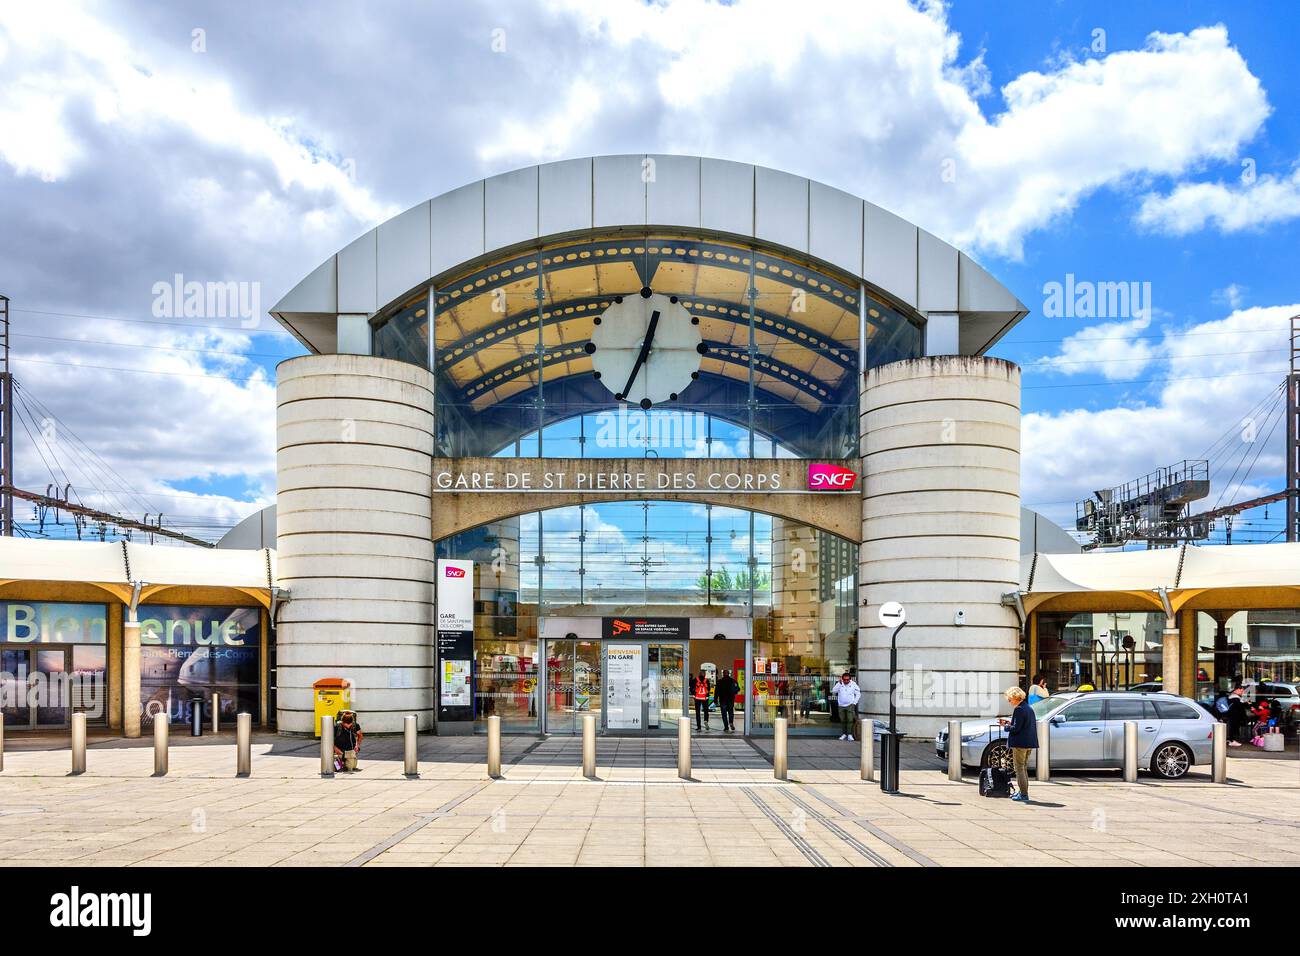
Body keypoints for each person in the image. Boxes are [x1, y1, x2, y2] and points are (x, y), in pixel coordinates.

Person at [1000, 687, 1038, 803]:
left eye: (1010, 699)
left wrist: (1006, 727)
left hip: (1020, 743)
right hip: (1029, 742)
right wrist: (1010, 723)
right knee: (1023, 768)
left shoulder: (1019, 709)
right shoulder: (1028, 708)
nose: (1009, 701)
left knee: (1019, 768)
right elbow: (1022, 724)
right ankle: (1023, 791)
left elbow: (1016, 729)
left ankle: (1023, 793)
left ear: (1015, 698)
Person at [831, 671, 860, 741]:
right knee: (843, 720)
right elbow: (833, 691)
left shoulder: (853, 684)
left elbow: (858, 694)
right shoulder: (839, 684)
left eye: (847, 679)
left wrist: (854, 703)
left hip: (850, 705)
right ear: (842, 679)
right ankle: (844, 734)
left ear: (850, 679)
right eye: (844, 679)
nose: (846, 681)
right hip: (841, 705)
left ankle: (850, 734)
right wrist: (839, 684)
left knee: (850, 720)